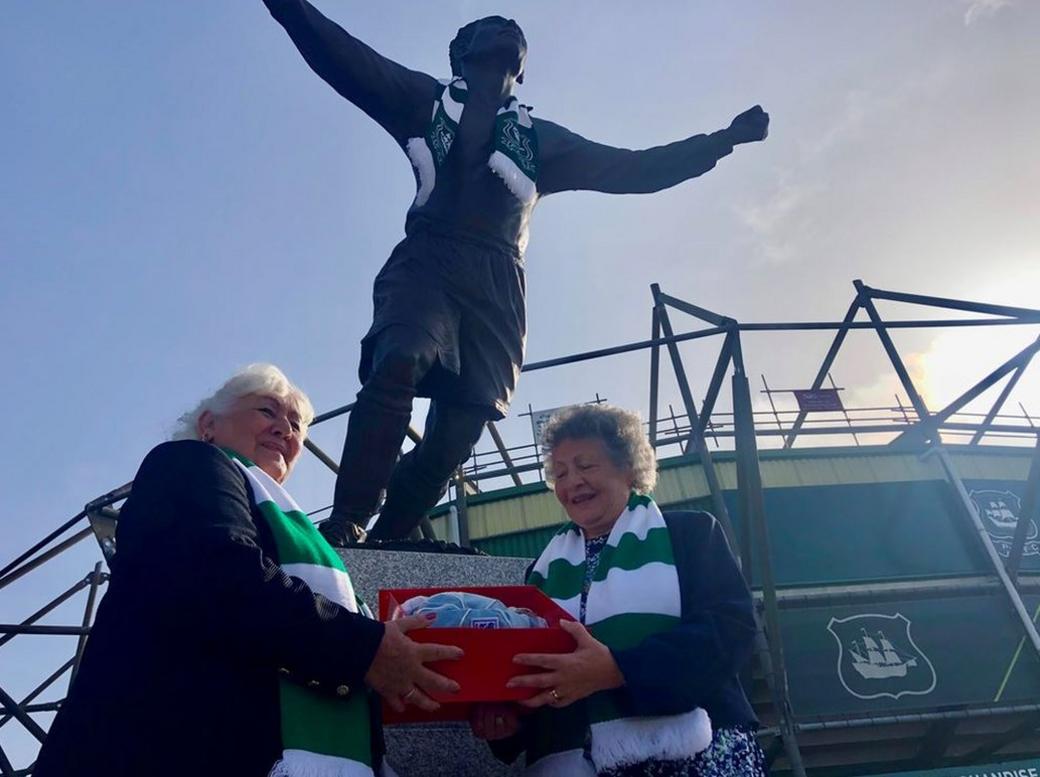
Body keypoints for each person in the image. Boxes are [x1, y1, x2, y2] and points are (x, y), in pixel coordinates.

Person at [259, 1, 771, 546]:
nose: (504, 26)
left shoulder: (540, 140)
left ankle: (394, 531)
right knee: (400, 358)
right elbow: (343, 57)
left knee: (461, 427)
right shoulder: (423, 102)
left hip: (498, 280)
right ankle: (348, 520)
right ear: (460, 54)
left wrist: (721, 141)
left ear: (521, 68)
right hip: (429, 260)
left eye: (512, 30)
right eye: (486, 25)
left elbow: (633, 168)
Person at [33, 364, 462, 777]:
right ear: (208, 425)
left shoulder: (294, 539)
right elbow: (218, 574)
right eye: (267, 411)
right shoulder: (188, 465)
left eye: (296, 424)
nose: (285, 429)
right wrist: (365, 647)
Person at [471, 404, 765, 776]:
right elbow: (542, 675)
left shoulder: (689, 533)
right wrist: (510, 720)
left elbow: (730, 632)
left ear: (628, 468)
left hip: (694, 756)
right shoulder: (542, 572)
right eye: (560, 473)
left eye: (585, 466)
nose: (571, 481)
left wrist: (617, 669)